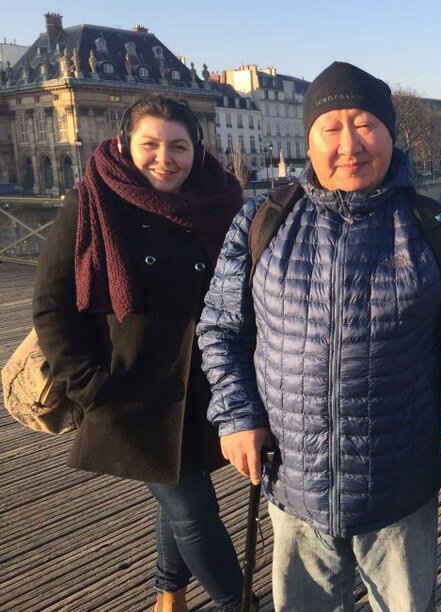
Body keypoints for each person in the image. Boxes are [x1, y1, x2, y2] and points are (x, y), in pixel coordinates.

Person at [197, 61, 441, 611]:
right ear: (309, 140)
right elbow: (221, 329)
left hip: (399, 487)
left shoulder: (437, 228)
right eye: (330, 128)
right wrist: (238, 414)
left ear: (391, 132)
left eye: (365, 124)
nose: (349, 144)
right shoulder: (261, 221)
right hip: (295, 482)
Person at [32, 95, 248, 611]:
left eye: (178, 146)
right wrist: (88, 386)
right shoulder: (92, 202)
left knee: (181, 490)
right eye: (150, 144)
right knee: (194, 510)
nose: (164, 158)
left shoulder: (218, 202)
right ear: (126, 144)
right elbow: (51, 305)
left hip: (199, 387)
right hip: (129, 391)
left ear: (196, 149)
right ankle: (238, 603)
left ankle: (167, 594)